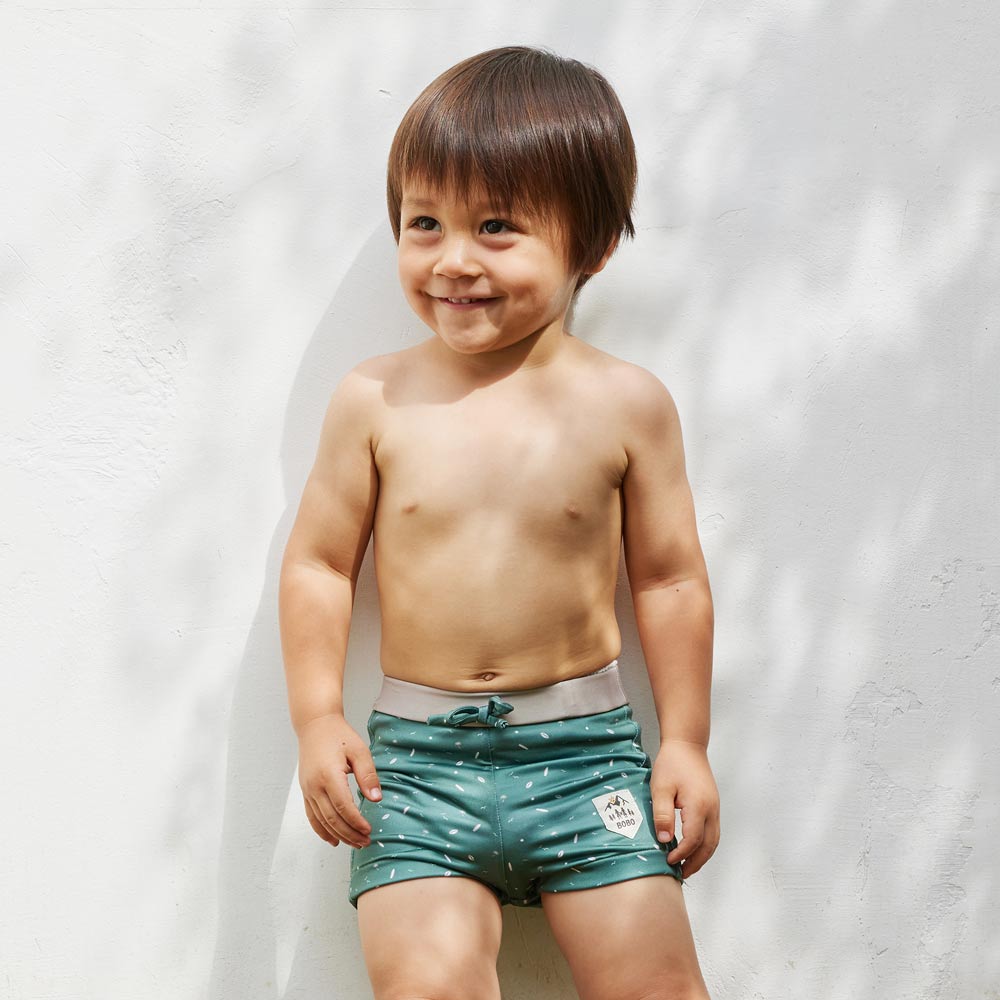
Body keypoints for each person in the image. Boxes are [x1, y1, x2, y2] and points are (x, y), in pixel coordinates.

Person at [278, 45, 720, 1000]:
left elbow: (670, 578)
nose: (453, 260)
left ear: (592, 247)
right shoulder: (374, 401)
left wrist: (685, 739)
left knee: (659, 988)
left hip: (586, 759)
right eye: (424, 223)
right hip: (415, 772)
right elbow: (319, 565)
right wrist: (316, 718)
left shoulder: (628, 404)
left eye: (496, 227)